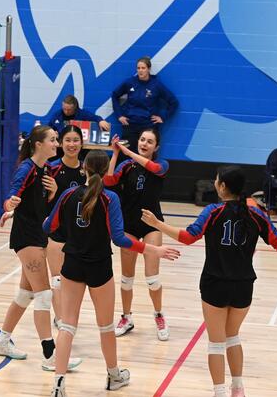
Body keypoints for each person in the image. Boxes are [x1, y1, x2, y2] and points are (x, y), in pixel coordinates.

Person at [141, 165, 277, 397]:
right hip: (243, 286)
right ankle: (238, 388)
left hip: (215, 284)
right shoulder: (256, 213)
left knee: (215, 343)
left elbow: (188, 237)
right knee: (232, 336)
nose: (214, 183)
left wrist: (157, 224)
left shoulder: (213, 211)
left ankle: (220, 392)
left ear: (222, 187)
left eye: (216, 180)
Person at [44, 149, 180, 396]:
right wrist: (152, 249)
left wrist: (69, 231)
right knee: (106, 327)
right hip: (99, 267)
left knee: (67, 327)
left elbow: (48, 226)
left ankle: (58, 383)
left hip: (72, 265)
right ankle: (113, 375)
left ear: (83, 168)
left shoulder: (67, 195)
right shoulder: (110, 199)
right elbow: (119, 239)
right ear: (107, 171)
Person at [0, 125, 81, 371]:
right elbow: (13, 193)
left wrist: (51, 195)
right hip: (27, 238)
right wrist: (10, 204)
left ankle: (2, 340)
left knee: (25, 294)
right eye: (53, 140)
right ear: (39, 144)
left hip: (38, 235)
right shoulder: (27, 168)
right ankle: (50, 354)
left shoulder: (44, 171)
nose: (57, 143)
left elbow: (36, 205)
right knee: (44, 294)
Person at [104, 129, 170, 340]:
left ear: (156, 147)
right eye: (142, 139)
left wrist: (129, 152)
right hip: (129, 224)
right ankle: (126, 317)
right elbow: (108, 181)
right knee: (126, 278)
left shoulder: (162, 165)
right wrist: (115, 154)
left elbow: (153, 167)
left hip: (151, 224)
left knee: (152, 278)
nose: (145, 143)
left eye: (150, 141)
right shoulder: (126, 166)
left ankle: (159, 315)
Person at [44, 125, 85, 328]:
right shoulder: (51, 168)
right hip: (56, 233)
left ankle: (67, 315)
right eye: (68, 140)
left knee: (73, 281)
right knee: (57, 279)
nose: (71, 144)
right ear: (61, 143)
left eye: (75, 140)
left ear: (81, 143)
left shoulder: (87, 171)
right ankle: (60, 319)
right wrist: (51, 194)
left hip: (79, 235)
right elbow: (40, 202)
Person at [109, 56, 178, 149]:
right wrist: (119, 115)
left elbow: (174, 102)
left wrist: (163, 116)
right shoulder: (130, 82)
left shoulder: (156, 85)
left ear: (149, 69)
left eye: (143, 68)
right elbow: (114, 95)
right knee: (124, 153)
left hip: (148, 127)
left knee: (145, 157)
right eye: (138, 68)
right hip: (130, 126)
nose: (140, 70)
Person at [46, 94, 111, 132]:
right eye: (64, 109)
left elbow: (95, 117)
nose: (66, 112)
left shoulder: (82, 114)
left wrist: (100, 121)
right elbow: (48, 128)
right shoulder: (57, 115)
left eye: (69, 110)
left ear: (75, 108)